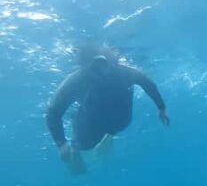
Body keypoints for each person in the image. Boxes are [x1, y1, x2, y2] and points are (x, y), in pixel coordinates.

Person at [45, 45, 169, 174]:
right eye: (96, 67)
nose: (102, 73)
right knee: (85, 144)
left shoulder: (125, 73)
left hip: (118, 118)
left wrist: (161, 108)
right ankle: (76, 147)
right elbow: (53, 112)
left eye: (104, 65)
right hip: (92, 120)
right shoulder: (76, 81)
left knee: (118, 125)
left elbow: (148, 84)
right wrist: (62, 144)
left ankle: (108, 135)